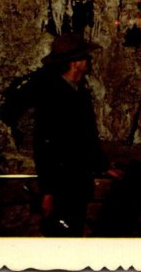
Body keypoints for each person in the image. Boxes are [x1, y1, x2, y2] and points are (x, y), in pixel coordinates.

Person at [34, 32, 121, 237]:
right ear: (75, 62)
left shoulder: (79, 92)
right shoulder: (54, 95)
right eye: (86, 57)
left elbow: (87, 138)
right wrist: (48, 191)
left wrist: (103, 166)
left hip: (77, 184)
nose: (89, 61)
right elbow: (44, 145)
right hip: (63, 185)